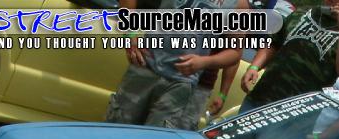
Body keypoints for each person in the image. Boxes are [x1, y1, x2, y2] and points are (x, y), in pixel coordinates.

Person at [106, 0, 247, 129]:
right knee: (116, 128)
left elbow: (235, 51)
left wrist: (204, 62)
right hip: (145, 65)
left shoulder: (238, 4)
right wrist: (130, 33)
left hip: (180, 83)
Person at [238, 0, 339, 111]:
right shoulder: (302, 13)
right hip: (260, 99)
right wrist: (254, 67)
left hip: (294, 117)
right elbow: (274, 43)